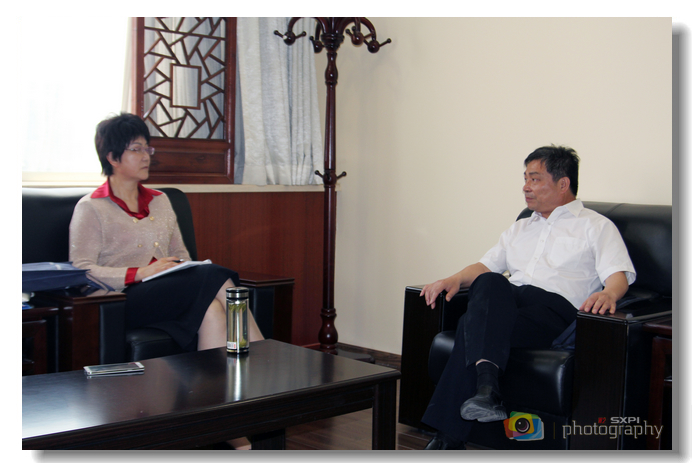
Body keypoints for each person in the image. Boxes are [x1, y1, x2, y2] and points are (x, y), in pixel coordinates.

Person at [419, 145, 636, 450]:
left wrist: (608, 293)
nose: (525, 187)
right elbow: (485, 266)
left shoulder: (595, 226)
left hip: (553, 312)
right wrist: (453, 279)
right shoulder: (520, 227)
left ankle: (448, 437)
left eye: (535, 179)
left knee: (472, 324)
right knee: (489, 281)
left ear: (563, 183)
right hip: (512, 304)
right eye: (525, 178)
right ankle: (486, 391)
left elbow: (618, 274)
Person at [69, 112, 263, 352]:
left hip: (166, 292)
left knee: (212, 309)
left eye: (147, 149)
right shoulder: (91, 207)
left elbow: (180, 254)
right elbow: (81, 270)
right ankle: (260, 352)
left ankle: (220, 376)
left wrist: (178, 269)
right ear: (112, 157)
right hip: (121, 299)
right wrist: (140, 273)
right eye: (136, 149)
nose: (146, 156)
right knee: (213, 274)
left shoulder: (160, 201)